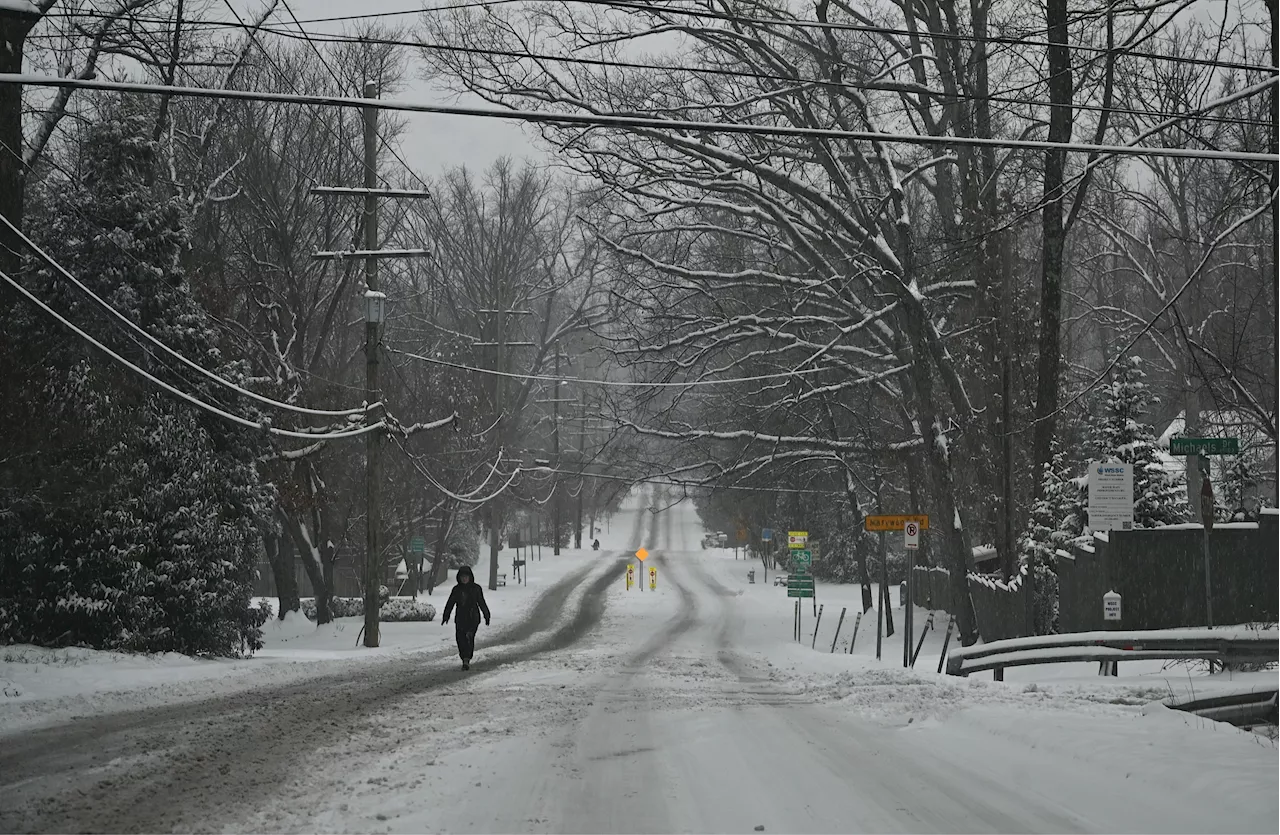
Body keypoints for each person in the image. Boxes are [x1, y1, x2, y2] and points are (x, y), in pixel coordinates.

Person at [441, 565, 490, 670]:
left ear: (470, 577)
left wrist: (486, 614)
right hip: (460, 618)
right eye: (462, 576)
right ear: (459, 577)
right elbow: (450, 603)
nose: (464, 578)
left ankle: (467, 658)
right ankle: (464, 657)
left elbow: (481, 602)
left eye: (466, 576)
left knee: (469, 637)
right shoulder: (456, 590)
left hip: (473, 618)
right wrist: (446, 615)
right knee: (460, 639)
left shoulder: (476, 589)